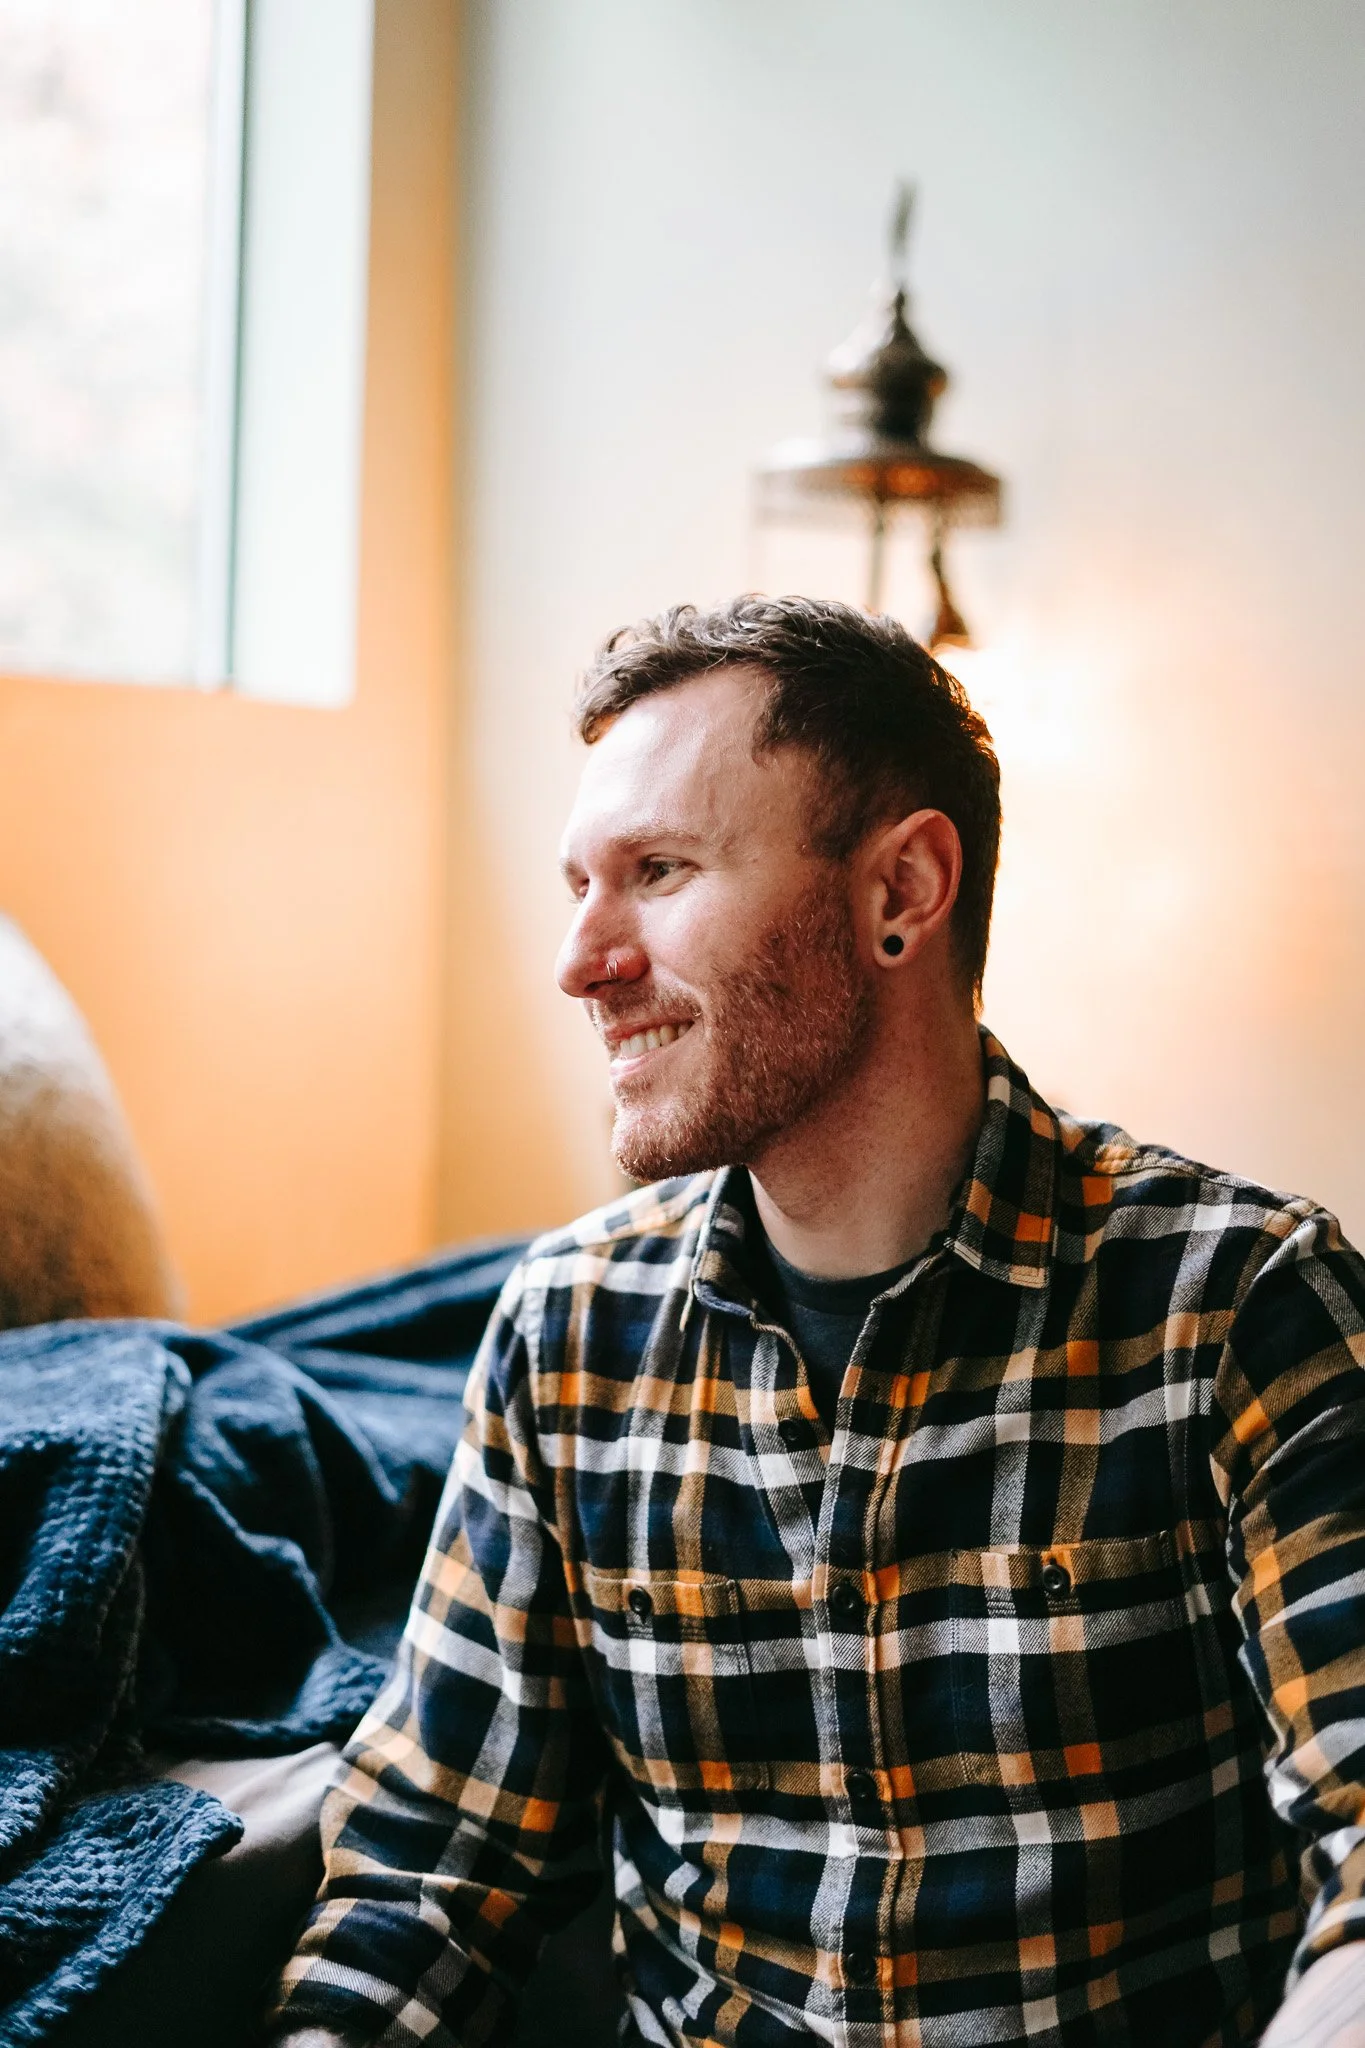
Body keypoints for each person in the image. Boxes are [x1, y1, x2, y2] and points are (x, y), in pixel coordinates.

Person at [272, 596, 1365, 2048]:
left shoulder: (1240, 1307)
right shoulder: (567, 1336)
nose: (581, 960)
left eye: (658, 872)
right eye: (577, 885)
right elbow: (429, 1879)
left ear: (903, 891)